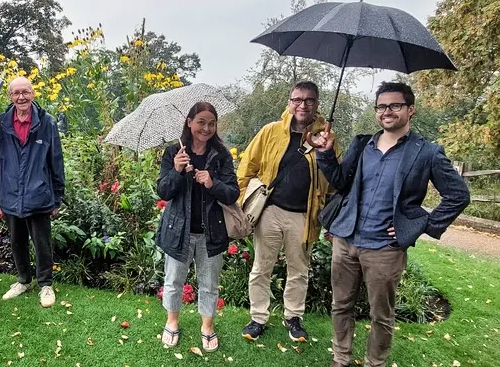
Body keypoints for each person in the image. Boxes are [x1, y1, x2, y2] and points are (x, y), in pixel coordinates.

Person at [313, 81, 470, 367]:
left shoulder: (426, 153)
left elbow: (458, 195)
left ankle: (375, 363)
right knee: (340, 306)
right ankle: (340, 358)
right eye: (381, 106)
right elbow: (340, 182)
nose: (387, 111)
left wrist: (419, 225)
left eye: (394, 105)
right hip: (347, 241)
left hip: (385, 248)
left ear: (410, 110)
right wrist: (324, 152)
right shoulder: (363, 145)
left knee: (381, 315)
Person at [237, 81, 338, 342]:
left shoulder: (327, 138)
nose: (303, 105)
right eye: (297, 99)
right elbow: (247, 166)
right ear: (289, 102)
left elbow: (334, 182)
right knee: (261, 268)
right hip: (270, 210)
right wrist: (238, 201)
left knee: (299, 270)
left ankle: (293, 317)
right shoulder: (271, 131)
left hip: (304, 216)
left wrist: (325, 151)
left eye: (309, 100)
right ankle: (258, 317)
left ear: (317, 104)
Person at [156, 102, 239, 352]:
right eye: (201, 122)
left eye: (211, 123)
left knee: (209, 284)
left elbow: (232, 193)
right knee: (173, 281)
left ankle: (208, 326)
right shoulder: (174, 152)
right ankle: (172, 322)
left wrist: (212, 183)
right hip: (178, 229)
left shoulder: (221, 155)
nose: (206, 128)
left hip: (210, 232)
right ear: (189, 122)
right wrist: (178, 170)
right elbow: (163, 191)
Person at [0, 76, 65, 308]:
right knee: (17, 241)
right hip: (10, 193)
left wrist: (57, 196)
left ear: (33, 94)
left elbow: (56, 160)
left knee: (42, 242)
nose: (21, 97)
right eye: (16, 93)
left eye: (26, 92)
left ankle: (45, 284)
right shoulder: (0, 123)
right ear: (10, 96)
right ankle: (23, 280)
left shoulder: (47, 122)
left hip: (39, 194)